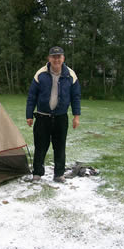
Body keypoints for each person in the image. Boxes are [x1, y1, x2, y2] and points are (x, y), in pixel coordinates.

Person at [26, 46, 81, 183]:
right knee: (40, 146)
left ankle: (59, 174)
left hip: (61, 117)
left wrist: (76, 116)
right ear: (49, 58)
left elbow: (76, 97)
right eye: (53, 57)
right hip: (42, 116)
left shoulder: (70, 75)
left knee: (60, 146)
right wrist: (29, 115)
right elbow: (32, 96)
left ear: (63, 58)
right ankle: (37, 173)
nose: (56, 59)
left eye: (59, 57)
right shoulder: (40, 74)